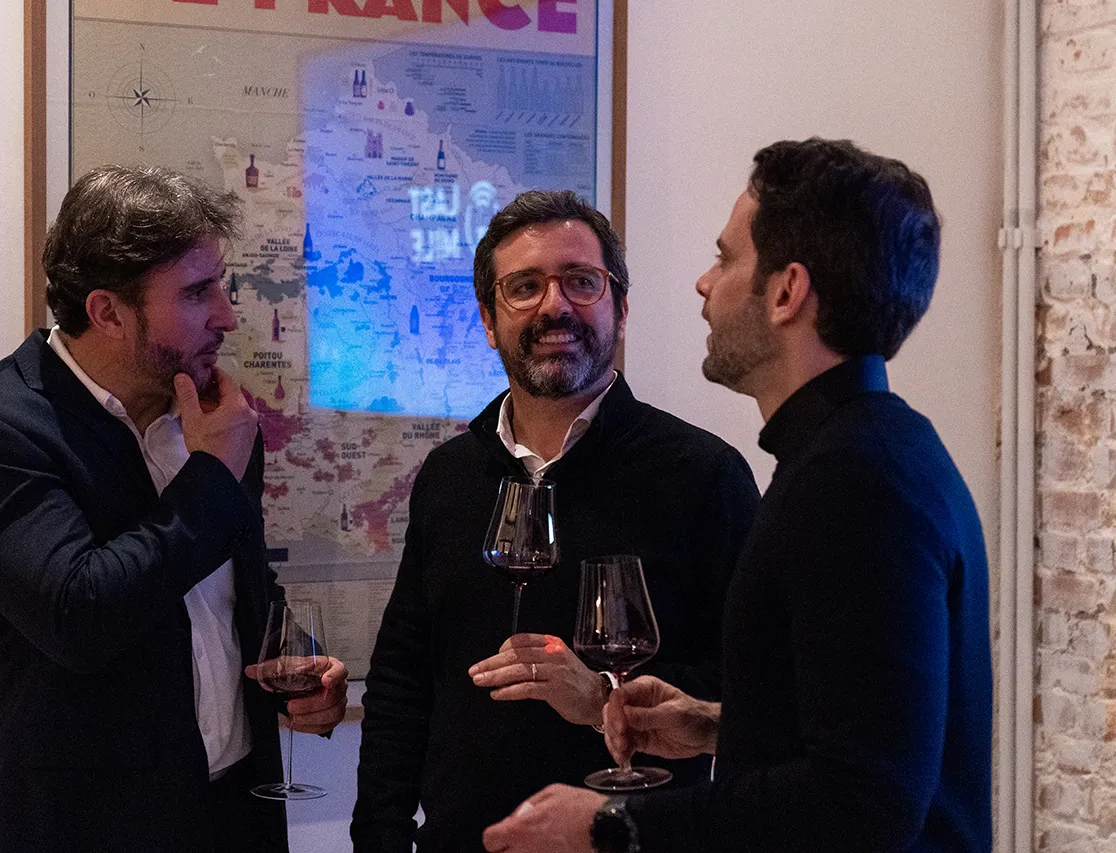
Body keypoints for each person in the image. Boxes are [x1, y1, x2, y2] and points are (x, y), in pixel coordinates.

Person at [483, 138, 993, 853]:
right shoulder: (868, 451)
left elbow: (862, 802)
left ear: (786, 292)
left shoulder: (854, 482)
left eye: (725, 259)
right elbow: (865, 730)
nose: (703, 283)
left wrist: (609, 824)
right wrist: (716, 723)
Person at [0, 165, 348, 853]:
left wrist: (297, 675)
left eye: (221, 284)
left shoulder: (213, 411)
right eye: (196, 291)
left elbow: (229, 592)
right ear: (107, 312)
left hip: (235, 813)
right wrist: (212, 473)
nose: (227, 315)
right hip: (85, 827)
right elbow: (81, 615)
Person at [351, 190, 760, 852]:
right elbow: (403, 682)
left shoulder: (704, 476)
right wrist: (380, 837)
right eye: (524, 287)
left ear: (620, 308)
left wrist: (601, 695)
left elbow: (754, 694)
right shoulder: (448, 476)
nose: (554, 305)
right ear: (489, 321)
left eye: (580, 281)